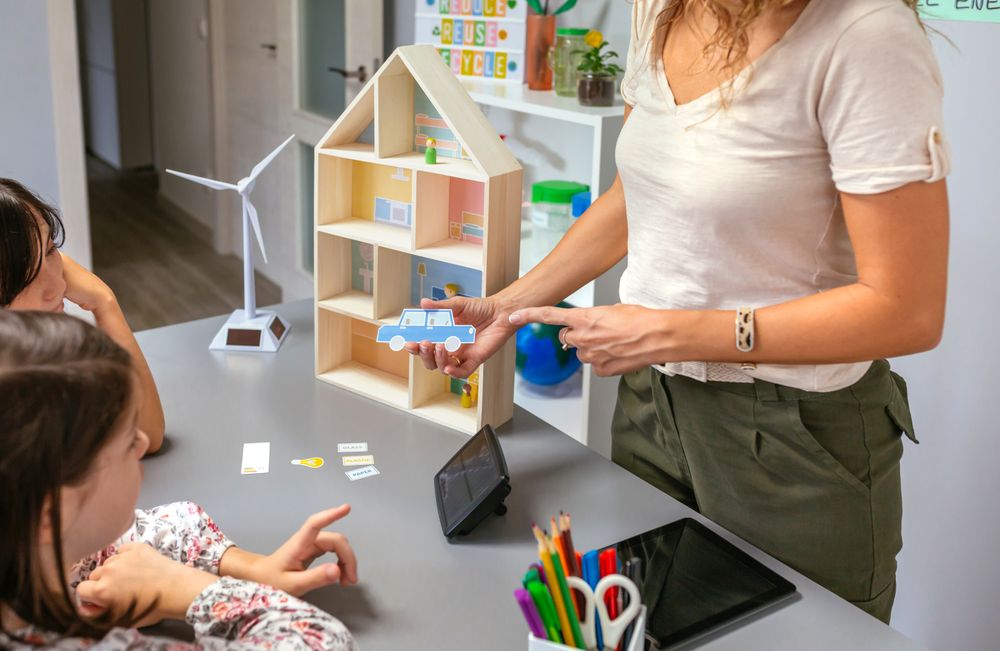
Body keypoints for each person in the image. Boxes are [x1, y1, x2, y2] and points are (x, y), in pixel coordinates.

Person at [407, 0, 949, 622]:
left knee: (802, 634)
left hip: (795, 438)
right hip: (649, 406)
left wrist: (668, 331)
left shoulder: (865, 36)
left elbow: (907, 311)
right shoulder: (661, 10)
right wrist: (506, 307)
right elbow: (630, 198)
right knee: (647, 625)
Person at [0, 310, 359, 649]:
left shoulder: (27, 551)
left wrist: (251, 567)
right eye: (128, 440)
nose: (143, 442)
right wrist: (187, 588)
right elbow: (317, 639)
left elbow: (152, 530)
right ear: (51, 514)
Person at [0, 178, 165, 453]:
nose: (58, 286)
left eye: (52, 251)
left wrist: (105, 302)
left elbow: (145, 433)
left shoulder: (43, 350)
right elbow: (140, 438)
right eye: (24, 274)